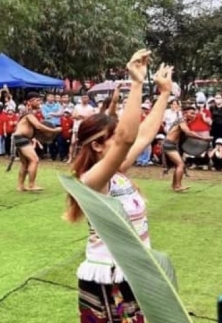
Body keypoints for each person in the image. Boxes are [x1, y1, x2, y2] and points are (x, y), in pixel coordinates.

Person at [64, 51, 169, 322]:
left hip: (136, 272)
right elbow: (126, 137)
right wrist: (136, 84)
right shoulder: (91, 180)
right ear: (97, 145)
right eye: (111, 138)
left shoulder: (119, 173)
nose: (121, 142)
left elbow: (144, 133)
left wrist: (164, 92)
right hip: (109, 279)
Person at [12, 92, 61, 192]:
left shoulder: (28, 112)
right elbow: (38, 126)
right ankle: (31, 185)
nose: (40, 102)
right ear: (31, 101)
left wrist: (33, 138)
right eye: (38, 100)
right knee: (34, 160)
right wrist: (54, 131)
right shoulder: (28, 113)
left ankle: (20, 186)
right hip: (22, 138)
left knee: (25, 163)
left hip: (21, 138)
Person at [162, 104, 211, 192]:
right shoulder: (181, 120)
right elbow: (188, 132)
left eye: (194, 113)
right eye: (191, 113)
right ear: (185, 114)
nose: (194, 115)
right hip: (169, 144)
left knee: (179, 165)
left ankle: (175, 185)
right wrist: (203, 138)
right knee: (180, 164)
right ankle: (177, 186)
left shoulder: (184, 121)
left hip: (172, 145)